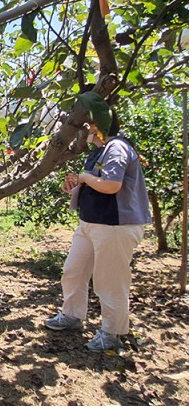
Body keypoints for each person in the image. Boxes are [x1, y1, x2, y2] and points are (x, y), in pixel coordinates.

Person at [44, 112, 151, 352]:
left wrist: (83, 177)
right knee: (73, 271)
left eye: (88, 124)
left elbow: (112, 185)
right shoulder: (99, 152)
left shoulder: (116, 147)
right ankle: (72, 316)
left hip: (115, 226)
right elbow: (97, 182)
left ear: (98, 127)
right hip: (90, 224)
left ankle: (112, 332)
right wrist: (75, 185)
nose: (83, 129)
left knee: (110, 281)